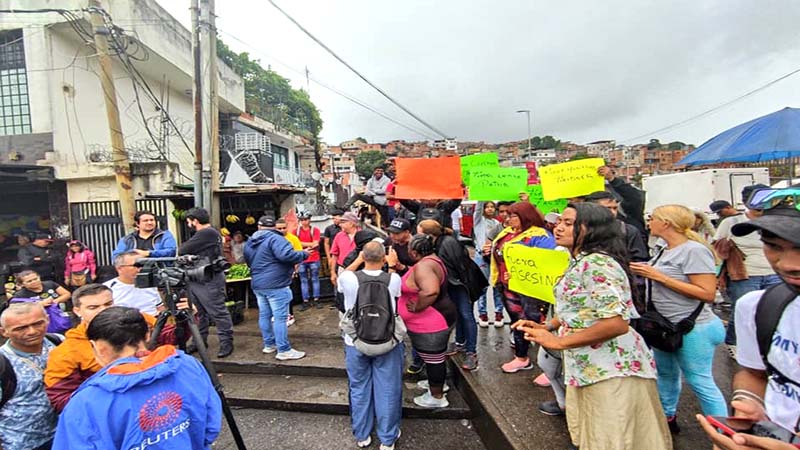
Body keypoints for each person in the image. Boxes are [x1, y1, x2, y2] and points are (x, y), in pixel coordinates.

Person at [520, 202, 672, 450]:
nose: (558, 228)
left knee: (613, 438)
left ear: (592, 230)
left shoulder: (598, 264)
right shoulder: (579, 261)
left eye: (568, 223)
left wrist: (559, 341)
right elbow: (579, 306)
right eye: (559, 222)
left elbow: (616, 323)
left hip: (611, 369)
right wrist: (548, 326)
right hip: (588, 366)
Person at [695, 189, 800, 450]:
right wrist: (749, 405)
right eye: (773, 246)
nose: (788, 264)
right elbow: (754, 374)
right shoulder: (758, 306)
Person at [51, 306, 222, 450]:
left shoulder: (86, 402)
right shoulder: (187, 364)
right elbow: (211, 423)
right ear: (147, 335)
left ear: (98, 346)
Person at [630, 204, 728, 433]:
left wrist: (658, 276)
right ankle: (667, 417)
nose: (648, 222)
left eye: (652, 218)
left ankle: (725, 434)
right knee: (666, 374)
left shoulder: (693, 250)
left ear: (666, 223)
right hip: (666, 326)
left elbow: (707, 293)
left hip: (694, 328)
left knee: (699, 381)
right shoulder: (664, 248)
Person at [43, 283, 184, 413]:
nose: (103, 311)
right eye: (93, 307)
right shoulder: (66, 351)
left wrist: (185, 320)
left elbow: (171, 337)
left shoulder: (137, 320)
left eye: (108, 304)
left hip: (161, 402)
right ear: (77, 311)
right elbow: (60, 399)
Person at [338, 242, 404, 450]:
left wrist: (358, 260)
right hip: (387, 341)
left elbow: (342, 279)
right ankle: (387, 438)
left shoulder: (348, 279)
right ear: (384, 257)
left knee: (359, 387)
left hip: (355, 341)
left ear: (363, 256)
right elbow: (396, 296)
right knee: (388, 389)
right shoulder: (393, 279)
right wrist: (391, 266)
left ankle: (362, 435)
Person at [485, 202, 556, 374]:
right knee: (518, 322)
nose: (507, 219)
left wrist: (519, 273)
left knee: (537, 324)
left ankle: (551, 368)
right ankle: (522, 357)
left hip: (531, 291)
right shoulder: (506, 233)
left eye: (512, 216)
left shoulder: (540, 236)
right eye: (507, 216)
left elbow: (547, 263)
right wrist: (489, 251)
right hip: (507, 286)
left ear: (526, 217)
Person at [713, 186, 781, 358]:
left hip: (774, 274)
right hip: (744, 275)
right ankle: (734, 342)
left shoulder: (778, 220)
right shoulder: (732, 222)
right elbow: (717, 249)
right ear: (746, 202)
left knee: (774, 311)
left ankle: (767, 346)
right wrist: (716, 275)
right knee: (743, 311)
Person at [398, 234, 456, 408]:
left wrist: (417, 307)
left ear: (415, 253)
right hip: (438, 318)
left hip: (431, 322)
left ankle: (437, 396)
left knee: (434, 360)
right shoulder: (433, 260)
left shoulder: (423, 266)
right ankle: (437, 383)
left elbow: (430, 291)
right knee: (435, 357)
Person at [418, 219, 484, 371]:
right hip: (454, 284)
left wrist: (467, 289)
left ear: (429, 235)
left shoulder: (447, 244)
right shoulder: (440, 242)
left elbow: (461, 268)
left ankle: (471, 351)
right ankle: (460, 342)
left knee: (466, 315)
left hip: (461, 285)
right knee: (459, 314)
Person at [244, 216, 309, 361]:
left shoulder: (250, 241)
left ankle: (269, 345)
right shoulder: (276, 239)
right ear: (274, 227)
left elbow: (248, 261)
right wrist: (304, 254)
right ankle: (284, 350)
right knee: (280, 317)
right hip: (276, 284)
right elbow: (287, 256)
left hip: (258, 283)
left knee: (265, 315)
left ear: (259, 226)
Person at [0, 303, 58, 450]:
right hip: (19, 443)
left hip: (60, 434)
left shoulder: (58, 342)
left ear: (48, 320)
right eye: (20, 328)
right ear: (4, 332)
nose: (32, 331)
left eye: (38, 323)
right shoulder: (3, 362)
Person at [179, 207, 234, 358]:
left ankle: (226, 342)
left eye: (189, 221)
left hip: (209, 278)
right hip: (197, 277)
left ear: (194, 221)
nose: (188, 224)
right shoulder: (207, 234)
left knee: (217, 312)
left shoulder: (207, 233)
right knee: (198, 313)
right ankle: (199, 342)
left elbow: (183, 249)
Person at [472, 201, 504, 328]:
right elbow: (477, 210)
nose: (490, 209)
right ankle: (482, 313)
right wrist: (481, 193)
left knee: (497, 284)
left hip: (495, 257)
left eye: (492, 207)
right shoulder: (479, 222)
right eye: (487, 207)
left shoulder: (497, 224)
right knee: (483, 286)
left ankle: (498, 312)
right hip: (481, 257)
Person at [104, 251, 163, 315]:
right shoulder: (107, 288)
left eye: (142, 265)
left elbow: (160, 308)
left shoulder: (150, 284)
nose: (139, 269)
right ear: (119, 268)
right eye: (135, 266)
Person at [598, 165, 647, 238]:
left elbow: (634, 197)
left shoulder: (626, 212)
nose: (612, 212)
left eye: (614, 208)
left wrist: (612, 179)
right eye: (606, 208)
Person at [111, 210, 177, 260]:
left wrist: (148, 253)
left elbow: (171, 251)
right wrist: (133, 254)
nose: (149, 222)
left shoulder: (165, 235)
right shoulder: (127, 239)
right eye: (145, 221)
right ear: (137, 223)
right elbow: (116, 257)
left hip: (160, 271)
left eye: (152, 220)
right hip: (134, 272)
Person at [296, 212, 322, 310]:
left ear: (309, 219)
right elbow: (295, 243)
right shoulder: (296, 231)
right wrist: (310, 244)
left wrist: (302, 245)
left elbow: (316, 244)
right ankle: (305, 300)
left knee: (314, 279)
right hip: (302, 259)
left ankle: (316, 299)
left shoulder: (315, 230)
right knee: (303, 280)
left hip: (313, 258)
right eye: (302, 220)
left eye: (306, 219)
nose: (304, 222)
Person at [330, 212, 361, 291]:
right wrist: (333, 272)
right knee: (342, 293)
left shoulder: (363, 235)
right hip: (343, 268)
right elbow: (334, 255)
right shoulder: (339, 236)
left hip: (359, 269)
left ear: (351, 223)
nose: (340, 225)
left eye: (343, 222)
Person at [322, 210, 344, 274]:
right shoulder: (329, 229)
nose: (334, 220)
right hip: (334, 254)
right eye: (333, 218)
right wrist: (329, 258)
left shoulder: (346, 228)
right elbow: (326, 243)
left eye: (335, 218)